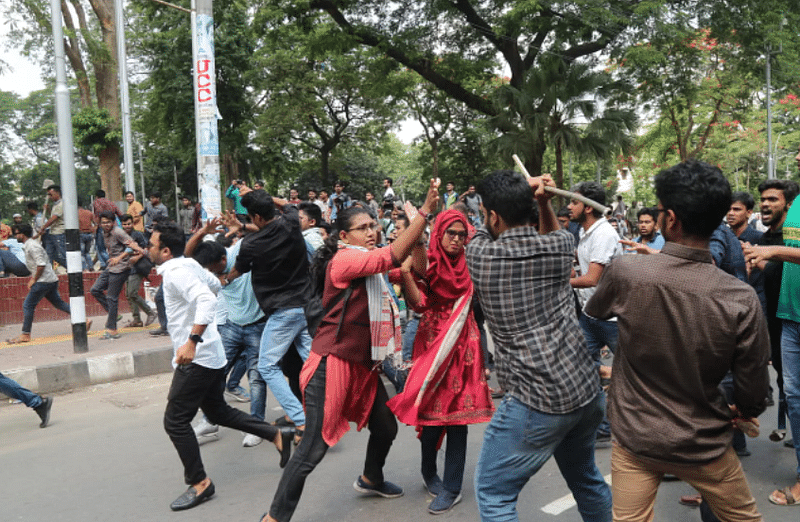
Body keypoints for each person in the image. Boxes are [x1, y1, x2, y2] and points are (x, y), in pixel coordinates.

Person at [585, 160, 768, 521]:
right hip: (705, 443)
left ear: (670, 218)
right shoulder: (740, 297)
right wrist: (745, 411)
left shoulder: (627, 272)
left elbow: (596, 312)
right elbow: (752, 387)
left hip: (635, 437)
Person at [260, 182, 439, 522]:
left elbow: (415, 269)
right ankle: (274, 517)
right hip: (333, 365)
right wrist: (425, 213)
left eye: (374, 226)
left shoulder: (367, 260)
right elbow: (391, 256)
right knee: (312, 449)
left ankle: (371, 477)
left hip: (363, 366)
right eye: (363, 228)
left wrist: (419, 233)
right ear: (344, 236)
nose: (372, 232)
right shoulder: (344, 261)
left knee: (385, 427)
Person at [466, 171, 611, 522]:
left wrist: (523, 197)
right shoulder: (560, 247)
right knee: (586, 478)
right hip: (585, 391)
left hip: (537, 398)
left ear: (493, 215)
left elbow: (486, 230)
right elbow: (549, 231)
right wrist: (542, 200)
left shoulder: (481, 256)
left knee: (494, 494)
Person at [151, 221, 293, 512]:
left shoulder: (178, 272)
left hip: (198, 358)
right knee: (217, 411)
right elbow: (215, 284)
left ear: (165, 251)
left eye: (152, 245)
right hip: (212, 353)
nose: (148, 248)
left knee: (175, 421)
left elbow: (206, 299)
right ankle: (275, 434)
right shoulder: (187, 266)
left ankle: (200, 483)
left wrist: (191, 341)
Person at [387, 209, 494, 515]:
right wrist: (413, 254)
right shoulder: (428, 259)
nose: (457, 240)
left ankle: (452, 487)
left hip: (464, 345)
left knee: (459, 418)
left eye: (462, 235)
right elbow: (419, 303)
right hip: (433, 343)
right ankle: (428, 472)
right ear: (440, 234)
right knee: (430, 415)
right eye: (452, 234)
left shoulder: (472, 262)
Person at [225, 191, 313, 443]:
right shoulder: (291, 222)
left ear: (255, 216)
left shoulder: (251, 244)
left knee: (266, 366)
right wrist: (263, 196)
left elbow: (237, 271)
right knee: (312, 364)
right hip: (305, 307)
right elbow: (288, 205)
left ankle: (301, 419)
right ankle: (322, 413)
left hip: (283, 313)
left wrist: (222, 280)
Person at [569, 181, 622, 443]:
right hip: (590, 316)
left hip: (614, 318)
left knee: (635, 375)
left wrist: (560, 280)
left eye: (574, 202)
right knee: (584, 369)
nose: (569, 206)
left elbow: (591, 279)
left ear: (588, 208)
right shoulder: (584, 232)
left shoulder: (603, 234)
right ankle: (602, 426)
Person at [7, 225, 89, 344]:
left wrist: (33, 279)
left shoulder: (32, 246)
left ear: (22, 234)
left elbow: (41, 265)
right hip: (49, 279)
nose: (15, 236)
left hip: (43, 281)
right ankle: (83, 319)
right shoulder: (30, 244)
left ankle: (25, 334)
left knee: (28, 305)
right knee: (58, 303)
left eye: (16, 234)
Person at [90, 211, 137, 340]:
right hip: (111, 266)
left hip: (121, 267)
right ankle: (114, 314)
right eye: (103, 222)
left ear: (113, 222)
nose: (106, 224)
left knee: (112, 297)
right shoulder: (103, 232)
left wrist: (119, 258)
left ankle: (112, 329)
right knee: (95, 289)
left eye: (109, 222)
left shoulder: (118, 232)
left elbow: (132, 246)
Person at [120, 214, 157, 328]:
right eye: (124, 224)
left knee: (132, 293)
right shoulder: (120, 235)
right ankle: (137, 319)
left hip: (137, 268)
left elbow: (146, 248)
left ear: (133, 223)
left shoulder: (137, 234)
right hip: (126, 267)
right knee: (128, 294)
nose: (127, 226)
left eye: (129, 224)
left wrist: (137, 257)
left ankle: (150, 312)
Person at [34, 185, 67, 269]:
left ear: (57, 193)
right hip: (52, 233)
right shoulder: (55, 205)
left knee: (61, 255)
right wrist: (48, 209)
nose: (49, 197)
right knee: (49, 254)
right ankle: (49, 272)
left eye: (50, 194)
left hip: (59, 233)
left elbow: (54, 219)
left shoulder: (61, 204)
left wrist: (43, 227)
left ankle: (72, 269)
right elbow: (52, 215)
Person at [92, 189, 123, 268]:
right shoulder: (111, 203)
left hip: (102, 227)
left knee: (101, 248)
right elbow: (120, 213)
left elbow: (98, 213)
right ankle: (113, 263)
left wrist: (97, 225)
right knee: (112, 248)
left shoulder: (96, 202)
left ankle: (111, 264)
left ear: (96, 196)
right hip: (113, 227)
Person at [77, 198, 96, 271]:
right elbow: (96, 224)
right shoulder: (89, 213)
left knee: (81, 253)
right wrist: (93, 230)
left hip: (80, 234)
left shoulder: (75, 214)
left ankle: (84, 268)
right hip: (89, 234)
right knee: (87, 253)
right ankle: (91, 267)